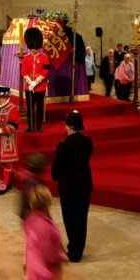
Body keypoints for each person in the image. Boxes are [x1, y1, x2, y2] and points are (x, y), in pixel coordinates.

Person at [52, 110, 93, 263]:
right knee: (81, 218)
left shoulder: (63, 145)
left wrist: (56, 177)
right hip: (84, 184)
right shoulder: (88, 142)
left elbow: (56, 169)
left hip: (68, 186)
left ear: (68, 126)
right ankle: (79, 249)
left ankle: (73, 250)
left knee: (70, 218)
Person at [23, 184, 67, 280]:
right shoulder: (45, 227)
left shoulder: (31, 220)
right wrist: (61, 257)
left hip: (36, 270)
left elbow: (29, 246)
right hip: (45, 273)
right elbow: (49, 253)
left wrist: (26, 264)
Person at [22, 27, 50, 133]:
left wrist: (36, 82)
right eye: (31, 47)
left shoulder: (45, 57)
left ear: (38, 45)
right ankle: (30, 126)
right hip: (29, 87)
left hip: (41, 88)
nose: (33, 49)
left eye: (35, 47)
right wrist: (30, 82)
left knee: (39, 108)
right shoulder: (26, 58)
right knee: (29, 108)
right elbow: (24, 72)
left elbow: (46, 72)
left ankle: (38, 127)